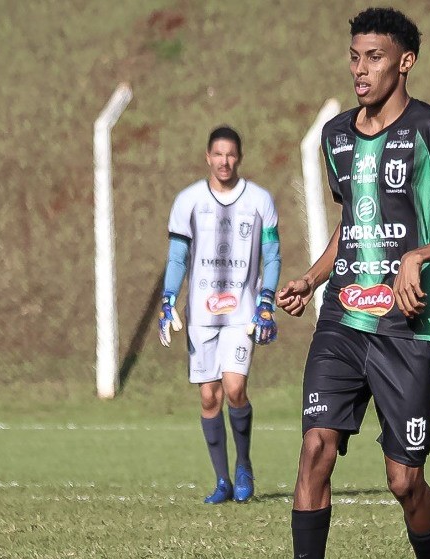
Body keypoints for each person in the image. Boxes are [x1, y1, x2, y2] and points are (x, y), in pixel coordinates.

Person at [277, 7, 430, 558]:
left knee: (404, 482)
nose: (361, 69)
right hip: (344, 320)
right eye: (355, 58)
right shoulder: (336, 137)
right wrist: (312, 277)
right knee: (314, 451)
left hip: (410, 326)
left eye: (374, 58)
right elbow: (356, 221)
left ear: (405, 62)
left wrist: (419, 257)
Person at [159, 125, 281, 504]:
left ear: (239, 158)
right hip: (201, 315)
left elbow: (272, 255)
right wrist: (167, 300)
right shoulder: (188, 201)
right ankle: (222, 481)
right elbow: (178, 257)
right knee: (210, 398)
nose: (224, 161)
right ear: (208, 157)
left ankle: (244, 465)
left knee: (234, 389)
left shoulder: (260, 200)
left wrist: (266, 301)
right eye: (218, 154)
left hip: (242, 314)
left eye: (231, 154)